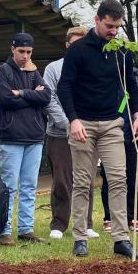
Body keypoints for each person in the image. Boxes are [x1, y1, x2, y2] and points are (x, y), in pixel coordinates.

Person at [57, 0, 138, 259]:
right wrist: (72, 120)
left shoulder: (122, 52)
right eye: (109, 26)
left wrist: (137, 115)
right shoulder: (78, 50)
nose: (114, 32)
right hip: (82, 124)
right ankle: (80, 238)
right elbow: (65, 87)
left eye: (117, 27)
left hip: (112, 125)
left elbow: (132, 85)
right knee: (83, 182)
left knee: (118, 179)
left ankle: (121, 239)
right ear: (97, 20)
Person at [0, 32, 51, 245]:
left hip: (35, 137)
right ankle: (4, 230)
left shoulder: (34, 71)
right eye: (21, 51)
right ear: (12, 49)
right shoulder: (2, 71)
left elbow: (46, 97)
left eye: (29, 52)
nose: (25, 56)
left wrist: (21, 93)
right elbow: (3, 98)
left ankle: (26, 229)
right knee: (9, 186)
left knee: (29, 186)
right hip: (11, 137)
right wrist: (30, 95)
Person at [43, 27, 98, 240]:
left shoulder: (92, 67)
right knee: (62, 179)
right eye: (74, 43)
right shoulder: (53, 68)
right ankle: (59, 223)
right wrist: (70, 124)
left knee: (87, 178)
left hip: (89, 133)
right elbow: (50, 99)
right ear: (67, 45)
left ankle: (86, 222)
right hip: (59, 133)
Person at [100, 66, 138, 233]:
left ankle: (133, 218)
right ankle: (109, 218)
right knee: (110, 177)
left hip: (135, 136)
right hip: (111, 134)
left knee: (135, 178)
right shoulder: (104, 73)